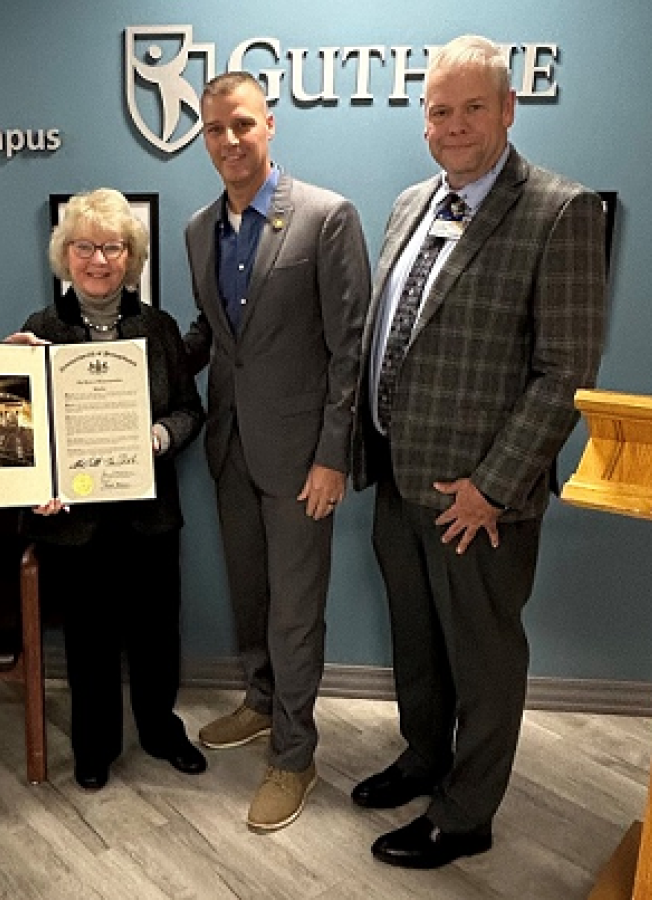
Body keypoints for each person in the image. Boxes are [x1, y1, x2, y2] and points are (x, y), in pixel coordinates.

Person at [350, 35, 607, 869]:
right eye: (439, 110)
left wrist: (493, 487)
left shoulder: (560, 211)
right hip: (398, 481)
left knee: (485, 660)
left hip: (479, 503)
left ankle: (465, 813)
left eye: (470, 108)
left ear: (507, 108)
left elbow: (566, 369)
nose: (453, 125)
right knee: (417, 645)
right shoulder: (409, 204)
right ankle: (425, 758)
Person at [181, 71, 370, 832]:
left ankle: (295, 754)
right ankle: (261, 704)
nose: (229, 141)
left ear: (269, 126)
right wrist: (117, 360)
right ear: (203, 136)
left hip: (302, 461)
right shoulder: (201, 229)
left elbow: (349, 348)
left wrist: (334, 456)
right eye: (215, 130)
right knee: (252, 595)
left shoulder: (325, 218)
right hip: (230, 448)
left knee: (296, 613)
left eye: (242, 126)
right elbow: (211, 338)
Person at [21, 188, 208, 791]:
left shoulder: (160, 328)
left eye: (112, 247)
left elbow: (188, 410)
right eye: (84, 246)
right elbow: (23, 427)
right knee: (89, 640)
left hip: (148, 514)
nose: (98, 260)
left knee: (157, 632)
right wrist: (37, 479)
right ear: (64, 254)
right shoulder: (39, 331)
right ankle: (94, 746)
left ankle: (158, 730)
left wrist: (160, 434)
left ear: (131, 257)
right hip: (75, 520)